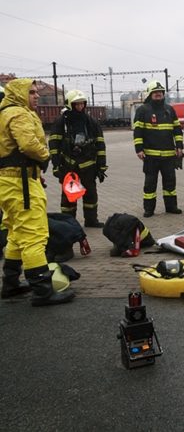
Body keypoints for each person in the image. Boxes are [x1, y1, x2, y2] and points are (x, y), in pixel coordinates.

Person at [0, 78, 74, 305]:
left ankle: (11, 284)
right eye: (31, 92)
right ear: (20, 94)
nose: (36, 96)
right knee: (34, 235)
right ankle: (42, 290)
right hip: (20, 185)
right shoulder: (18, 113)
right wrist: (45, 156)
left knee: (16, 233)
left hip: (12, 179)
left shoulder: (6, 112)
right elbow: (29, 144)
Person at [48, 89, 108, 228]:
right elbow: (54, 145)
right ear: (70, 105)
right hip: (69, 166)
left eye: (82, 104)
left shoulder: (90, 122)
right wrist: (56, 165)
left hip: (89, 166)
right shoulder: (61, 122)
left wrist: (102, 165)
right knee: (69, 196)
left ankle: (91, 220)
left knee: (91, 195)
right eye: (77, 104)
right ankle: (69, 222)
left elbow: (100, 144)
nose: (80, 107)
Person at [133, 80, 184, 217]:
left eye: (160, 92)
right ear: (150, 94)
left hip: (168, 155)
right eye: (155, 92)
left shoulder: (169, 109)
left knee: (170, 184)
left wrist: (179, 146)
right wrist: (139, 149)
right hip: (150, 156)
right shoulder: (143, 110)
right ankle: (149, 209)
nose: (158, 94)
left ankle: (171, 207)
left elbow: (177, 130)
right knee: (150, 184)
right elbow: (138, 132)